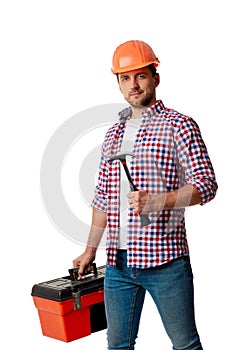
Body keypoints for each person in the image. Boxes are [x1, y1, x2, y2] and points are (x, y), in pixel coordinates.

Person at [73, 40, 218, 350]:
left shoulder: (179, 126)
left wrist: (159, 200)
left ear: (155, 77)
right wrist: (90, 251)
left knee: (185, 345)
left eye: (140, 75)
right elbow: (103, 198)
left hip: (165, 262)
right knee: (118, 346)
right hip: (117, 264)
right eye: (125, 78)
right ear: (119, 84)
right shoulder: (113, 133)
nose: (133, 85)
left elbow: (207, 184)